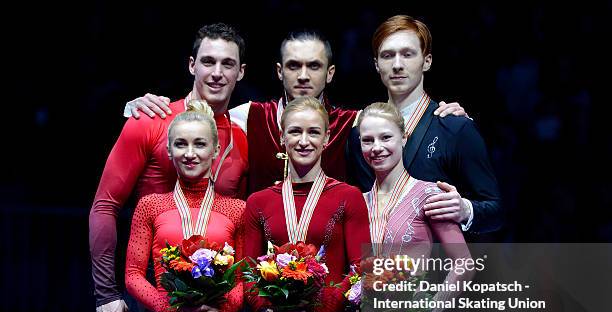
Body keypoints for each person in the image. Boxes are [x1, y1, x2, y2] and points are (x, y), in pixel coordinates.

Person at [345, 16, 503, 312]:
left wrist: (465, 209)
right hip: (369, 309)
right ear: (376, 64)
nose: (397, 64)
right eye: (388, 55)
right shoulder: (360, 130)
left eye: (407, 54)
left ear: (426, 62)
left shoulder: (454, 127)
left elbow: (496, 208)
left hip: (434, 305)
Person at [89, 23, 248, 312]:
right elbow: (104, 205)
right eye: (208, 62)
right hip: (151, 284)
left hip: (216, 295)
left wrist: (230, 301)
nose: (217, 73)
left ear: (241, 72)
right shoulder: (150, 120)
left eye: (227, 64)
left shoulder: (240, 138)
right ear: (191, 65)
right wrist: (106, 295)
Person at [125, 30, 466, 195]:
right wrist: (140, 106)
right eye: (294, 66)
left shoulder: (353, 122)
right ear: (279, 71)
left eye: (313, 66)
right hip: (259, 267)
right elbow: (196, 114)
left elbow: (407, 123)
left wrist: (444, 114)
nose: (303, 75)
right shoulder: (247, 116)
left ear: (329, 73)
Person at [244, 96, 370, 312]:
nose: (304, 141)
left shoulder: (349, 197)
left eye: (314, 132)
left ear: (327, 138)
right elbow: (246, 271)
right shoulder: (258, 202)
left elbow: (361, 269)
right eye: (295, 132)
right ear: (282, 136)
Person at [352, 102, 473, 312]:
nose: (376, 148)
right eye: (367, 140)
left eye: (386, 138)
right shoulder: (356, 203)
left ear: (404, 137)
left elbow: (464, 263)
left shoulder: (429, 195)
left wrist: (429, 311)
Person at [125, 100, 245, 312]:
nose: (190, 152)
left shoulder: (237, 209)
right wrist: (168, 309)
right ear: (168, 149)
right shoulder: (150, 206)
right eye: (181, 143)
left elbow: (245, 277)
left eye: (199, 143)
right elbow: (134, 274)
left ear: (216, 150)